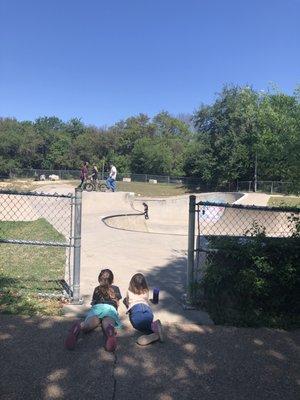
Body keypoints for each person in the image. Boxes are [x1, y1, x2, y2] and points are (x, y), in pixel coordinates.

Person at [65, 269, 122, 352]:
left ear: (99, 279)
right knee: (108, 323)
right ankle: (110, 331)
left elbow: (93, 302)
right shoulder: (116, 288)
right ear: (112, 280)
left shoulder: (96, 289)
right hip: (110, 308)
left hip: (97, 308)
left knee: (89, 323)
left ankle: (80, 326)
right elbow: (117, 303)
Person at [123, 273, 164, 346]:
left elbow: (127, 303)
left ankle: (153, 329)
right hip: (147, 310)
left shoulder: (129, 292)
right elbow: (146, 300)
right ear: (144, 284)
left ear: (132, 283)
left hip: (136, 310)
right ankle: (153, 328)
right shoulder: (146, 291)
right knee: (146, 321)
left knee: (138, 325)